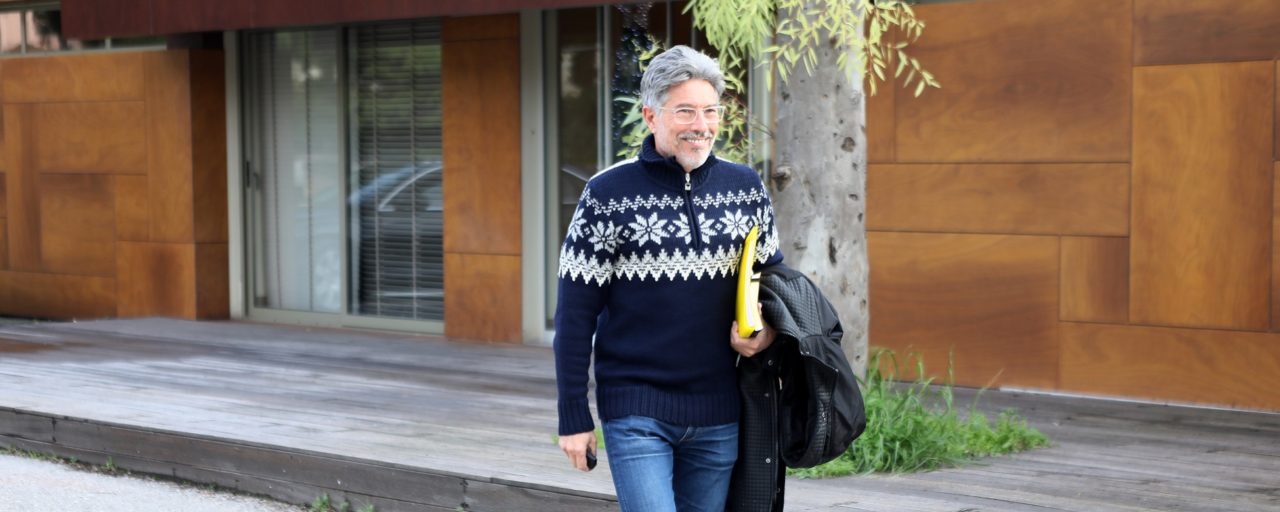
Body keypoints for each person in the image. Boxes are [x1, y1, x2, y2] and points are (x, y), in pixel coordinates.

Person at [554, 45, 783, 512]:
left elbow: (776, 286)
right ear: (650, 116)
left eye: (710, 111)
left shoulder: (746, 189)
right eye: (685, 111)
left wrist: (767, 334)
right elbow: (575, 315)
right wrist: (573, 416)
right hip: (636, 408)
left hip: (720, 410)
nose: (702, 125)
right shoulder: (606, 195)